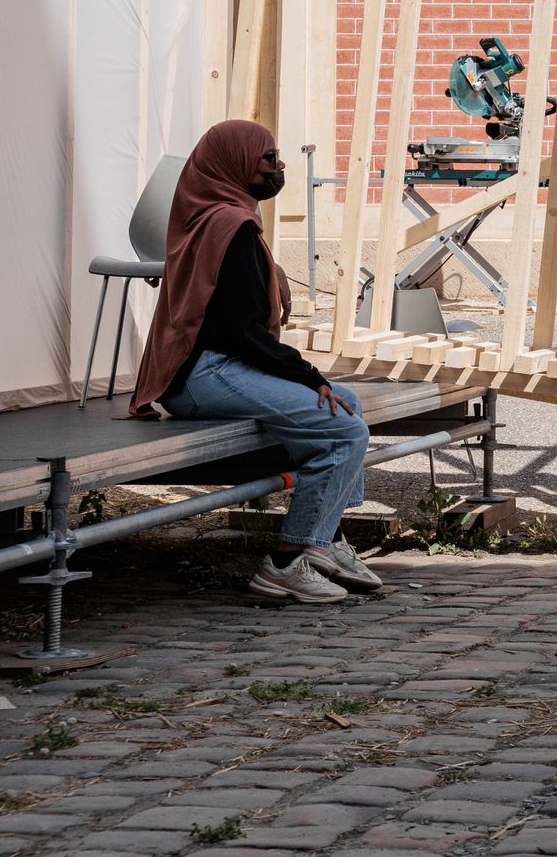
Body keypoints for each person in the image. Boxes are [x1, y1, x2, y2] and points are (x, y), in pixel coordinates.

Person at [131, 121, 381, 606]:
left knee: (346, 403)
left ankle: (326, 539)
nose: (280, 166)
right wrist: (309, 376)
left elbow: (236, 322)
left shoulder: (213, 216)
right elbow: (243, 333)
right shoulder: (231, 229)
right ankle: (289, 561)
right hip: (206, 375)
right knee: (344, 429)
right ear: (236, 165)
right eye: (269, 158)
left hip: (214, 368)